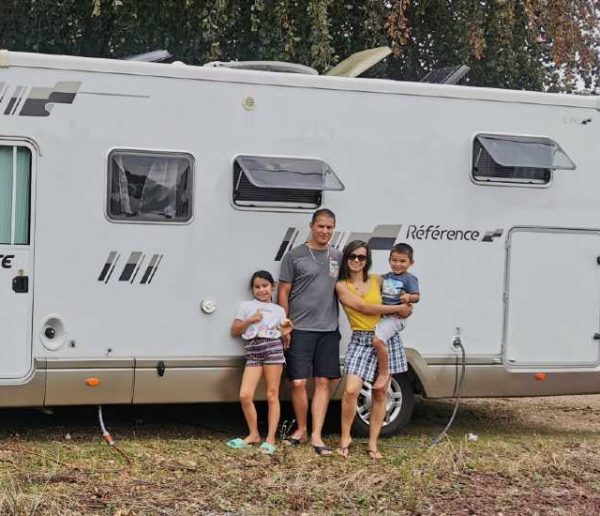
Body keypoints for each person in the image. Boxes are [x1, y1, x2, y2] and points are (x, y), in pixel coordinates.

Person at [335, 240, 412, 459]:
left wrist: (408, 305)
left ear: (367, 260)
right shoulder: (341, 285)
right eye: (353, 257)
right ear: (346, 259)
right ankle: (345, 438)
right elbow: (363, 307)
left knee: (380, 392)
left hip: (384, 338)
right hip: (360, 340)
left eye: (362, 257)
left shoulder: (379, 280)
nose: (357, 261)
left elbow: (403, 295)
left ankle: (372, 444)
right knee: (351, 390)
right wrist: (399, 308)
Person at [277, 208, 342, 455]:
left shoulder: (337, 256)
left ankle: (316, 434)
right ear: (312, 226)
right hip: (300, 329)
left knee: (323, 382)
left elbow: (351, 285)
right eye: (321, 226)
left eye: (329, 227)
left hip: (328, 330)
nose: (325, 231)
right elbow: (283, 291)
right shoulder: (295, 256)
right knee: (298, 381)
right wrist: (285, 324)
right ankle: (301, 429)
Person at [227, 270, 293, 455]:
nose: (261, 290)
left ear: (272, 287)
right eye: (257, 287)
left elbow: (283, 333)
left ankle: (270, 438)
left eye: (265, 286)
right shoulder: (246, 306)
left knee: (272, 394)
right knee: (245, 395)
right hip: (253, 351)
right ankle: (254, 434)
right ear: (252, 289)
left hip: (272, 348)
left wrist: (287, 331)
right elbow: (234, 331)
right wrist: (250, 319)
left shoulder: (279, 310)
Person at [371, 243, 420, 390]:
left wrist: (408, 298)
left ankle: (384, 371)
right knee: (377, 338)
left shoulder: (409, 279)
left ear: (411, 263)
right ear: (389, 260)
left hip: (396, 318)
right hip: (385, 316)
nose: (397, 264)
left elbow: (417, 297)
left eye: (402, 261)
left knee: (377, 340)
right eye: (394, 260)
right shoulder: (385, 277)